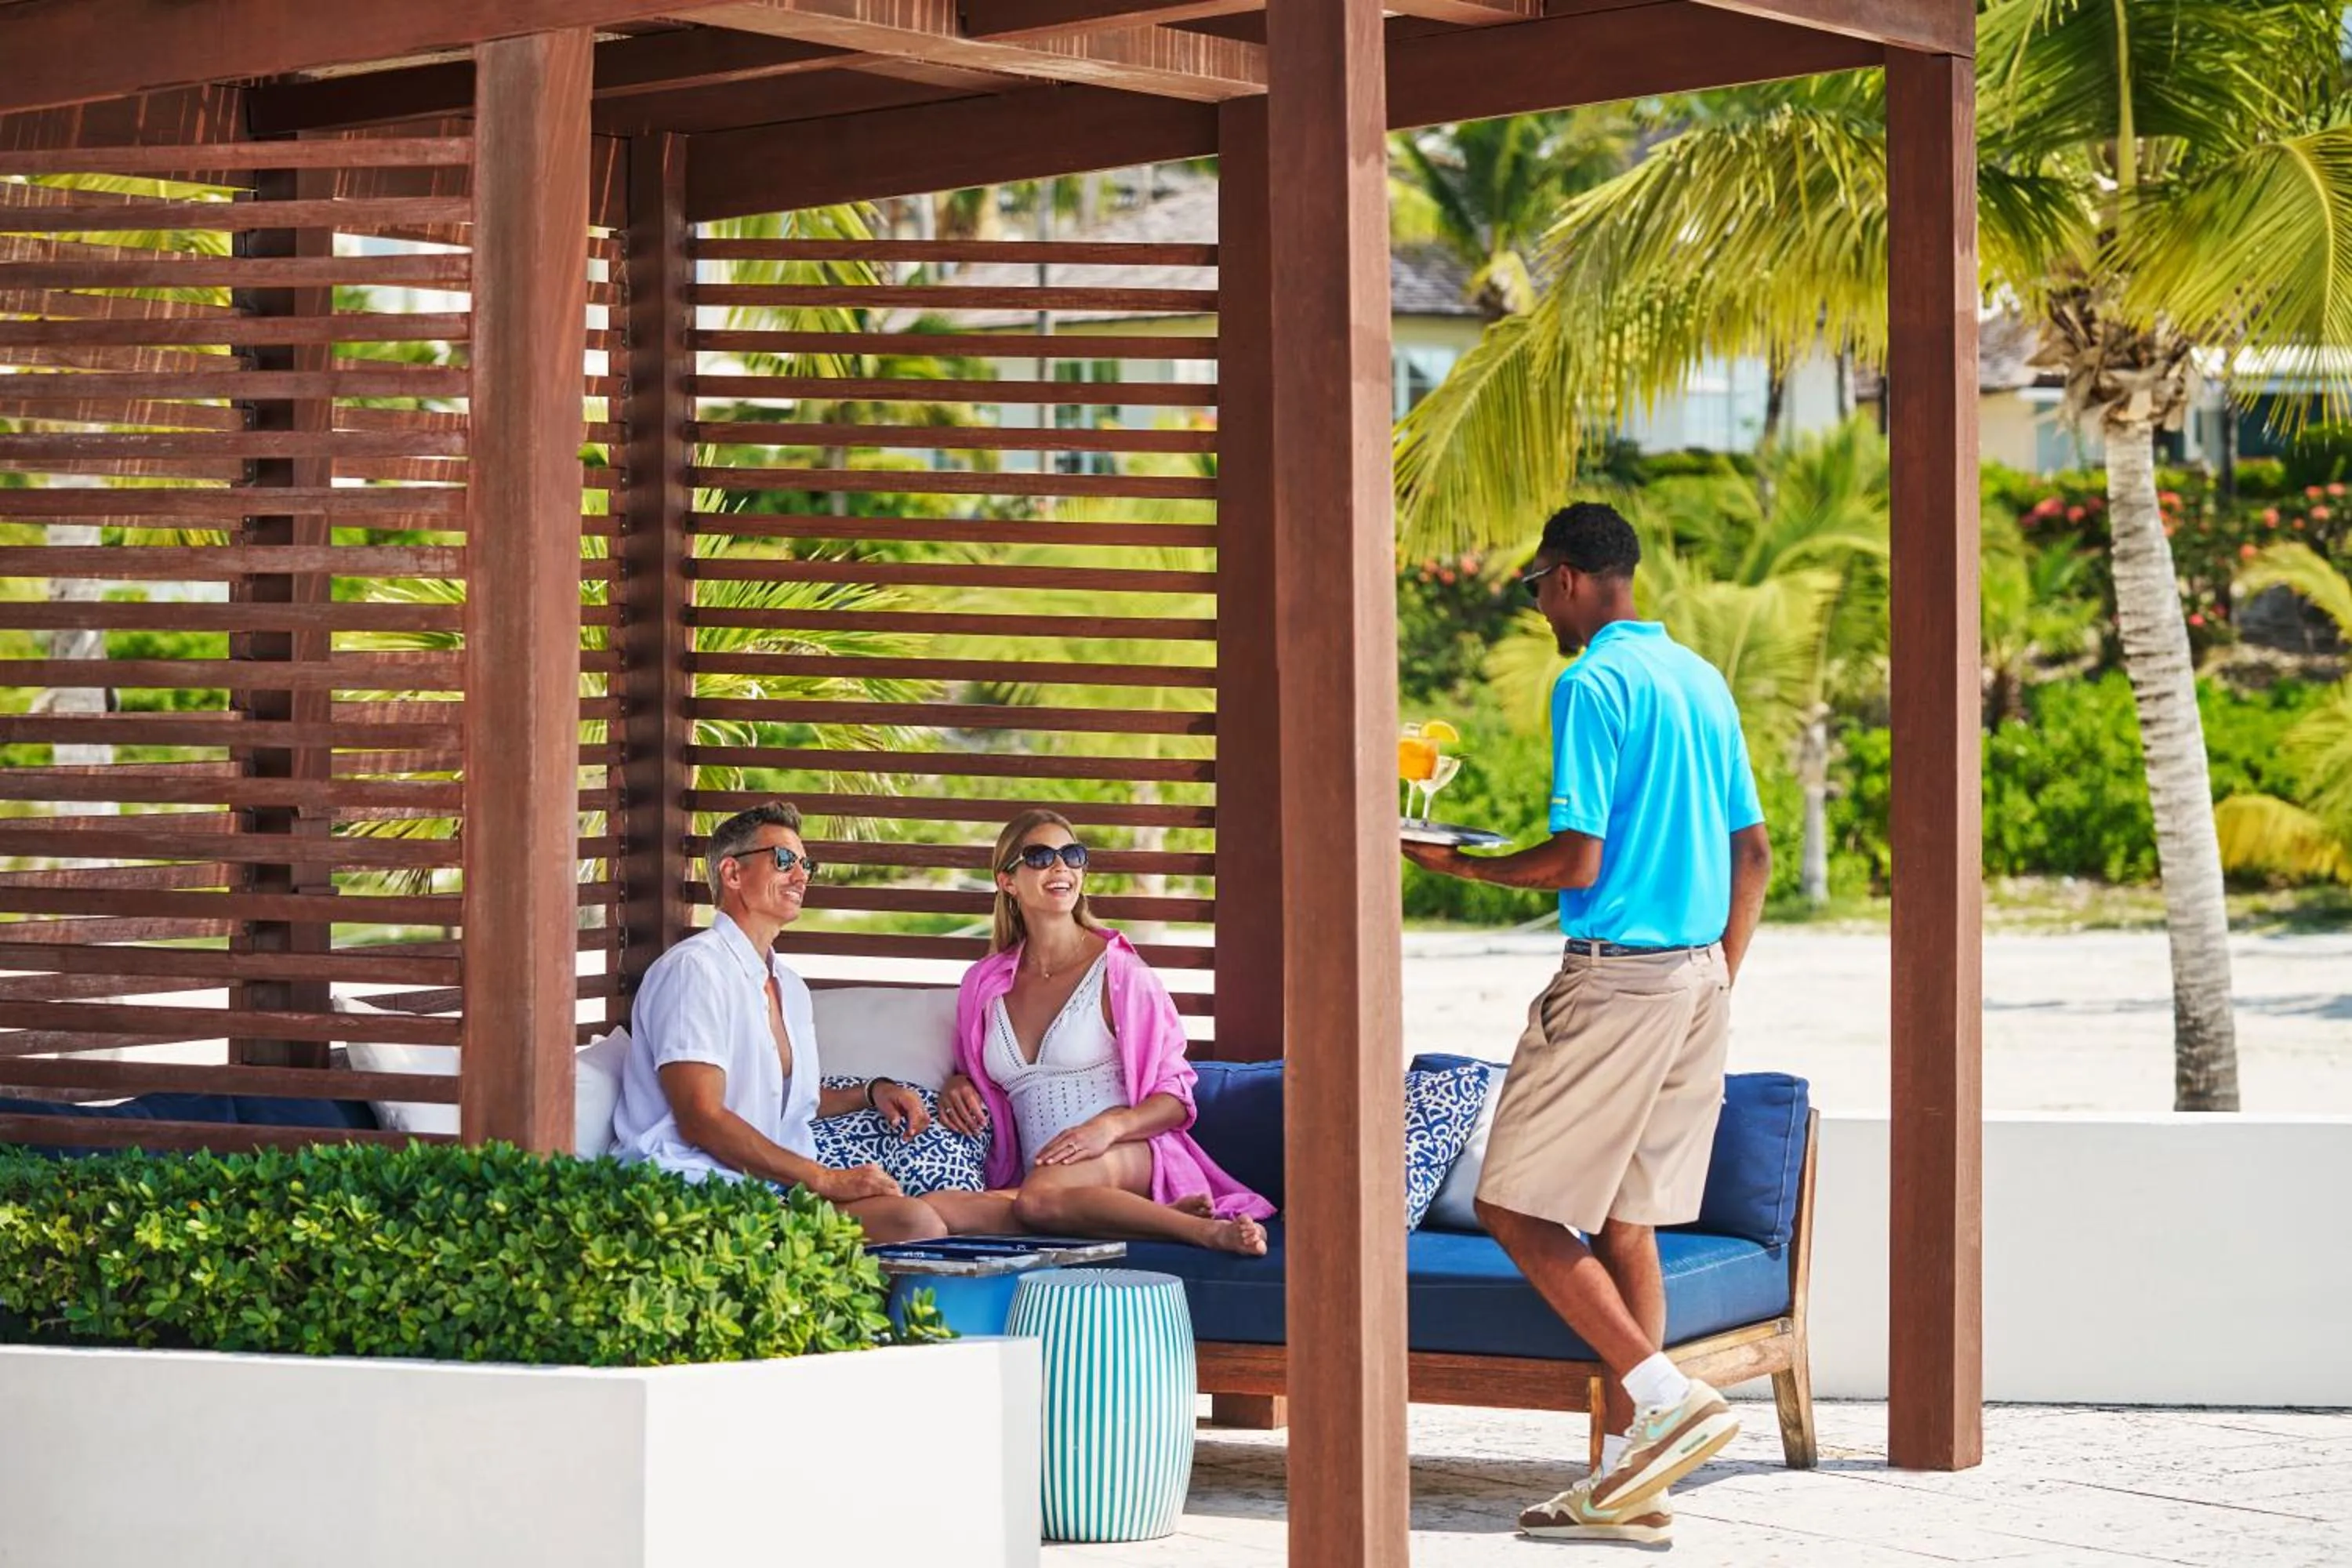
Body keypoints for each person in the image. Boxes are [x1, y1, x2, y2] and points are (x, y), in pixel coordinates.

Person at [1403, 501, 1773, 1546]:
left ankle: (1669, 1395)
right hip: (1701, 979)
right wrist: (1714, 980)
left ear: (1565, 579)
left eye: (1535, 590)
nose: (1540, 611)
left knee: (1515, 1204)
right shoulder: (1701, 680)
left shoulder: (1591, 682)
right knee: (1627, 1219)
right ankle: (1628, 1486)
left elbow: (1578, 861)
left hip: (1620, 979)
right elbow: (1754, 856)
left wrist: (1457, 864)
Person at [611, 801, 1008, 1243]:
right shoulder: (694, 971)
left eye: (806, 865)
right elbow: (701, 1117)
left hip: (763, 1185)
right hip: (690, 1185)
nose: (801, 876)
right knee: (914, 1224)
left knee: (940, 1213)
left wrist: (873, 1092)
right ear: (733, 874)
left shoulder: (789, 986)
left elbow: (788, 1101)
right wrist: (824, 1179)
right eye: (784, 861)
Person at [935, 808, 1274, 1255]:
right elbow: (973, 1071)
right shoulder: (983, 983)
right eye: (1039, 857)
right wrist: (956, 1084)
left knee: (1039, 1198)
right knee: (934, 1211)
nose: (1061, 868)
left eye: (1072, 856)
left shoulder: (1120, 973)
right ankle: (1131, 1217)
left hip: (1127, 1152)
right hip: (1043, 1177)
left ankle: (1204, 1232)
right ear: (1007, 881)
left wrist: (1108, 1128)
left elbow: (1176, 1098)